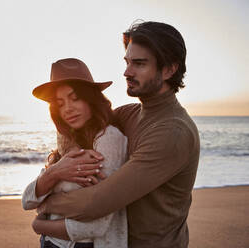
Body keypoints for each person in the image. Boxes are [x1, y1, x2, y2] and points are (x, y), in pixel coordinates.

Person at [37, 21, 200, 248]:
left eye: (139, 64)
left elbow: (96, 203)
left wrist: (42, 201)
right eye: (127, 62)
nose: (127, 71)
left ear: (169, 69)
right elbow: (74, 126)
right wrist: (62, 164)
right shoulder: (128, 114)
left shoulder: (172, 132)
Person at [22, 58, 128, 248]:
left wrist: (40, 224)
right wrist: (55, 172)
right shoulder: (66, 144)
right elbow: (27, 200)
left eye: (75, 98)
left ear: (91, 99)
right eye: (60, 103)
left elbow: (97, 225)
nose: (67, 109)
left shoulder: (108, 138)